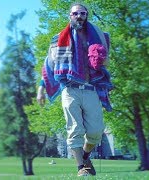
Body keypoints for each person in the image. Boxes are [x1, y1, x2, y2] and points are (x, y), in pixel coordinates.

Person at [36, 2, 113, 177]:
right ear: (70, 16)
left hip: (90, 88)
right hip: (69, 89)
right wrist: (41, 88)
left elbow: (105, 61)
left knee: (96, 131)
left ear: (86, 16)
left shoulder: (97, 36)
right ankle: (81, 168)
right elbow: (49, 64)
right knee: (74, 129)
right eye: (75, 13)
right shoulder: (58, 39)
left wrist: (102, 69)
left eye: (83, 13)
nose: (79, 16)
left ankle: (85, 156)